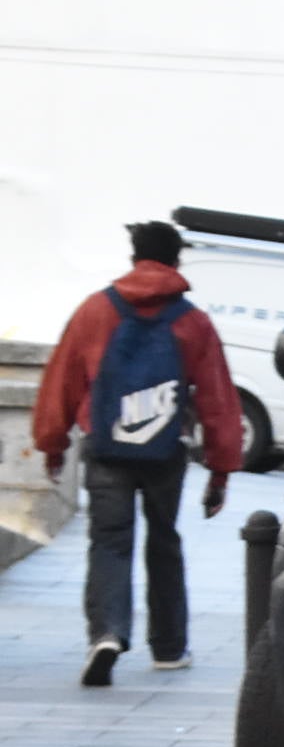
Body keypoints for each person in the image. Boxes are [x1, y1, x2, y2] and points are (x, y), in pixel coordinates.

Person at [33, 221, 244, 686]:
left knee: (109, 540)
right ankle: (169, 649)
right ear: (176, 262)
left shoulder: (94, 311)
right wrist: (222, 470)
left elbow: (62, 380)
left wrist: (51, 444)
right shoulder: (193, 322)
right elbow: (217, 397)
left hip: (106, 447)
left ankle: (107, 634)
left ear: (133, 257)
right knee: (163, 541)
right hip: (165, 450)